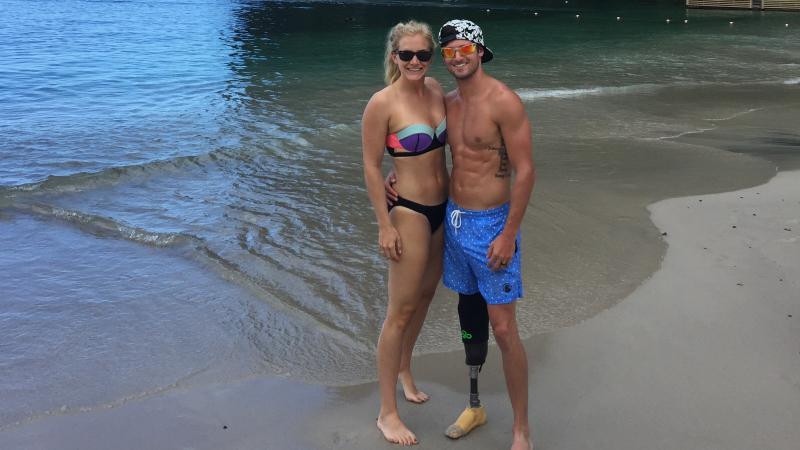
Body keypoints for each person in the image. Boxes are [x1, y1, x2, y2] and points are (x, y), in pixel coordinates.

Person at [386, 19, 535, 450]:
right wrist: (391, 176)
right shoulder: (446, 102)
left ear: (480, 52)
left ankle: (521, 429)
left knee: (504, 329)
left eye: (464, 49)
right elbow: (419, 144)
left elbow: (525, 170)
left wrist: (509, 233)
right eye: (449, 50)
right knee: (468, 318)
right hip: (453, 222)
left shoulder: (503, 101)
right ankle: (474, 405)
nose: (457, 56)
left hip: (493, 226)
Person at [361, 20, 449, 446]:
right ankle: (386, 412)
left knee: (427, 296)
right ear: (394, 56)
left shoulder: (435, 91)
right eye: (407, 55)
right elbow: (370, 165)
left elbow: (468, 129)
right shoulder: (382, 102)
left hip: (442, 209)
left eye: (423, 55)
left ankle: (404, 368)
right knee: (399, 310)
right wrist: (383, 223)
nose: (416, 62)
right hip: (409, 212)